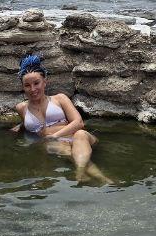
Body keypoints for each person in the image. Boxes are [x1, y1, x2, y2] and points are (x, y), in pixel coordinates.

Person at [12, 53, 108, 184]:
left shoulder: (60, 99)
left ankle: (80, 173)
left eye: (36, 83)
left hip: (78, 137)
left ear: (45, 82)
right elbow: (28, 122)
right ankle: (102, 179)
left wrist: (54, 135)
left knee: (80, 134)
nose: (32, 89)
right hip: (55, 144)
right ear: (23, 87)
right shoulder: (21, 108)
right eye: (27, 85)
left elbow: (79, 123)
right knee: (61, 149)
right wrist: (20, 126)